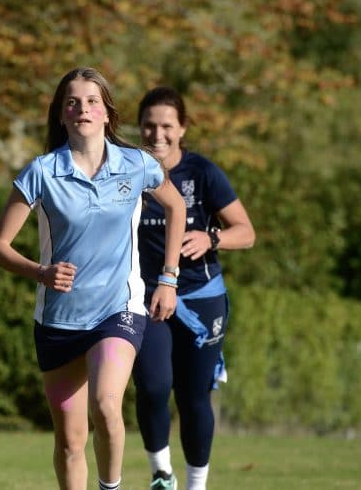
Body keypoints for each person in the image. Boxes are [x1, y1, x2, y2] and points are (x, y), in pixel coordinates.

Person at [0, 68, 186, 490]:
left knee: (107, 405)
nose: (83, 109)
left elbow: (176, 208)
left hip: (119, 310)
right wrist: (40, 272)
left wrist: (168, 277)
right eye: (72, 102)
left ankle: (110, 487)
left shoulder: (136, 164)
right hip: (58, 321)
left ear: (108, 113)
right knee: (70, 442)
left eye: (92, 101)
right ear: (61, 114)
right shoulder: (41, 173)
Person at [131, 87, 255, 490]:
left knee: (193, 397)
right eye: (149, 125)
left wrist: (211, 238)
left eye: (167, 125)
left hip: (201, 299)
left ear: (183, 128)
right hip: (146, 297)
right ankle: (161, 474)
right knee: (152, 385)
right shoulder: (125, 170)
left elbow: (247, 232)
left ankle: (196, 485)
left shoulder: (202, 173)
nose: (157, 134)